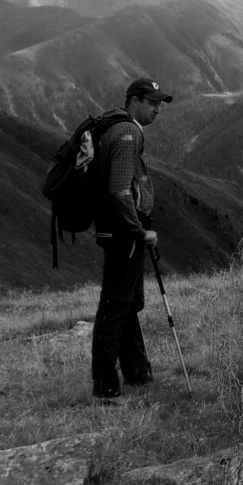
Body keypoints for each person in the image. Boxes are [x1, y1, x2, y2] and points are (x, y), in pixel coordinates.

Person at [90, 76, 172, 399]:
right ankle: (105, 385)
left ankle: (137, 371)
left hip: (120, 230)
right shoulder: (127, 134)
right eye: (151, 103)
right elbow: (121, 190)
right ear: (134, 101)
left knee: (127, 303)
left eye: (159, 104)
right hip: (125, 232)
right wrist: (138, 231)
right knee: (115, 304)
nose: (157, 110)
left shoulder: (120, 129)